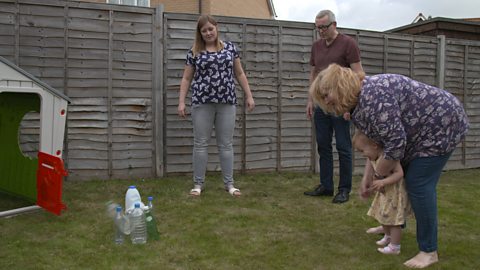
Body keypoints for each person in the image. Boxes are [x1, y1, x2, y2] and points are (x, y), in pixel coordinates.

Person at [310, 63, 469, 268]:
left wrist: (378, 177)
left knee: (418, 184)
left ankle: (429, 250)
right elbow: (377, 145)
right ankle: (392, 226)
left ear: (338, 86)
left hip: (442, 124)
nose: (326, 102)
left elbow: (395, 145)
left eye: (326, 95)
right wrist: (368, 178)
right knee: (398, 182)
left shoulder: (373, 99)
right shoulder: (357, 104)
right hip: (416, 131)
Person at [178, 15, 255, 197]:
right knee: (200, 144)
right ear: (200, 33)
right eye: (204, 30)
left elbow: (240, 73)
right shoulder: (194, 52)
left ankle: (230, 184)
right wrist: (181, 101)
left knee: (226, 145)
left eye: (210, 29)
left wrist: (249, 95)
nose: (208, 33)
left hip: (227, 103)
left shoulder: (230, 49)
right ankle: (198, 184)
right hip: (201, 103)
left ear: (216, 27)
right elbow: (186, 78)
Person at [304, 10, 364, 203]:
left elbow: (359, 75)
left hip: (340, 105)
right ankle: (326, 186)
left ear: (334, 24)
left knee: (343, 146)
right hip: (321, 105)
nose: (320, 31)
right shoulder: (316, 46)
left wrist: (349, 105)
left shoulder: (348, 44)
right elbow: (313, 74)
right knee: (323, 145)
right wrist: (310, 100)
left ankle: (344, 189)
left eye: (324, 27)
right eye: (318, 27)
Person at [353, 130, 412, 255]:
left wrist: (383, 182)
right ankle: (388, 236)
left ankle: (395, 247)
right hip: (385, 193)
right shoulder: (375, 157)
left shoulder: (389, 157)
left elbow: (399, 174)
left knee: (394, 220)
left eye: (362, 150)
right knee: (382, 215)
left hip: (395, 194)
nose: (362, 155)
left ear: (374, 145)